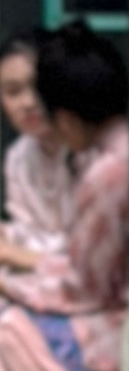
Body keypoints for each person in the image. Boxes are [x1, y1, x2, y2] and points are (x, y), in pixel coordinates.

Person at [0, 23, 129, 371]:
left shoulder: (104, 168)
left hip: (108, 312)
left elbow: (82, 278)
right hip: (85, 294)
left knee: (9, 331)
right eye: (11, 92)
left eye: (37, 92)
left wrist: (14, 274)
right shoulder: (25, 159)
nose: (30, 107)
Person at [0, 27, 78, 271]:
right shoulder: (18, 157)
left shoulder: (91, 149)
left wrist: (15, 255)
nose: (28, 103)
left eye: (37, 86)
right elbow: (28, 231)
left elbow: (89, 258)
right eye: (13, 92)